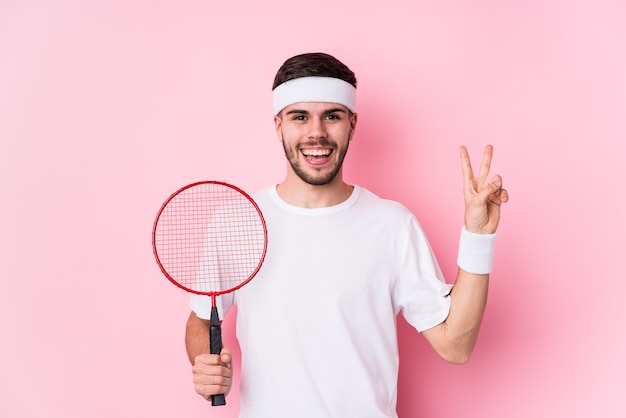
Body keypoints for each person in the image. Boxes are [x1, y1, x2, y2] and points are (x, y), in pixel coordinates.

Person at [185, 52, 509, 417]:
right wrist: (204, 362)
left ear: (352, 124)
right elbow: (201, 318)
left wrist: (478, 237)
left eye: (332, 116)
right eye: (300, 117)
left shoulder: (392, 225)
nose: (316, 132)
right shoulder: (237, 221)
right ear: (278, 125)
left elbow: (455, 345)